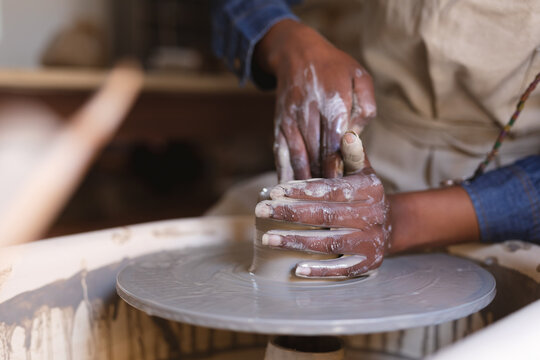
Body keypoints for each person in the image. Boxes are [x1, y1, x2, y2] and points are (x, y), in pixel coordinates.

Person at [210, 0, 540, 278]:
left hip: (507, 185)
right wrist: (286, 40)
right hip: (376, 147)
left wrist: (402, 222)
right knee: (225, 239)